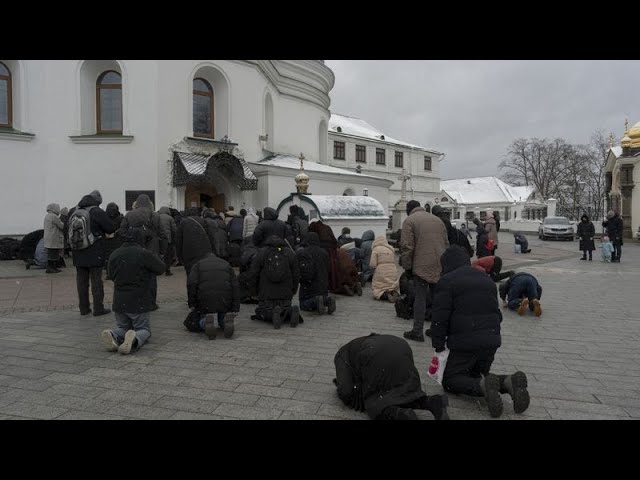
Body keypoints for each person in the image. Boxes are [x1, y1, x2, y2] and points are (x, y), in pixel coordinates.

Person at [431, 245, 530, 418]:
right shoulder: (486, 279)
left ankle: (483, 387)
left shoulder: (447, 281)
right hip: (491, 341)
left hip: (465, 343)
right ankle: (507, 382)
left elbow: (440, 318)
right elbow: (497, 315)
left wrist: (438, 345)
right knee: (475, 375)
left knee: (451, 380)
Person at [334, 333, 449, 420]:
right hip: (399, 345)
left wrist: (344, 391)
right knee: (405, 391)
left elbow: (346, 391)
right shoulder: (357, 344)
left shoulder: (340, 356)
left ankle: (399, 414)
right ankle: (432, 402)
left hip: (375, 354)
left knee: (375, 402)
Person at [101, 228, 165, 355]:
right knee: (144, 329)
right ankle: (134, 338)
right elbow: (161, 268)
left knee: (123, 327)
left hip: (119, 300)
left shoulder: (115, 253)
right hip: (139, 299)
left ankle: (113, 334)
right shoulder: (143, 253)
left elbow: (111, 275)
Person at [400, 200, 449, 342]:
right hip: (439, 264)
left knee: (420, 299)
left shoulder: (410, 221)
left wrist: (407, 267)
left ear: (409, 209)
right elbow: (446, 243)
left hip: (421, 266)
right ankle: (436, 330)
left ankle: (417, 331)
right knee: (437, 299)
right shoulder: (437, 220)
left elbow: (407, 247)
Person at [70, 190, 115, 316]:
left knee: (81, 281)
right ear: (97, 201)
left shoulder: (74, 211)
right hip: (95, 250)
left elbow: (65, 230)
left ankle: (84, 308)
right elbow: (110, 228)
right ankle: (98, 308)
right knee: (96, 280)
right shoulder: (97, 211)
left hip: (78, 251)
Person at [119, 194, 166, 309]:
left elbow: (121, 232)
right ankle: (151, 303)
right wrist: (162, 251)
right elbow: (163, 234)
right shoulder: (155, 215)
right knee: (151, 277)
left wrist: (129, 241)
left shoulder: (129, 214)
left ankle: (138, 301)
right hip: (152, 250)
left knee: (136, 276)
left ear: (137, 203)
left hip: (135, 250)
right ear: (149, 203)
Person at [249, 235, 300, 328]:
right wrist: (293, 290)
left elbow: (253, 274)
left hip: (266, 293)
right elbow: (296, 275)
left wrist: (254, 292)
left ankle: (273, 314)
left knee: (261, 311)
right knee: (285, 307)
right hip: (285, 293)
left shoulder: (261, 253)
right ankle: (289, 312)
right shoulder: (290, 253)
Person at [187, 252, 239, 339]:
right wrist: (235, 307)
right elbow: (235, 286)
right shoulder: (226, 264)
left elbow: (192, 284)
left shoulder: (198, 265)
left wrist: (192, 303)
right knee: (223, 313)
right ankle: (225, 322)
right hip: (224, 299)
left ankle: (205, 321)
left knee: (203, 315)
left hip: (205, 299)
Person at [297, 232, 336, 315]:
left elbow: (304, 273)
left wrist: (300, 279)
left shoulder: (303, 252)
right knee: (321, 297)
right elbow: (328, 269)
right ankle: (327, 300)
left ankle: (316, 301)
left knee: (303, 304)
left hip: (308, 287)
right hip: (323, 286)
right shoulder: (324, 252)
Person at [176, 208, 216, 277]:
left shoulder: (183, 223)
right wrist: (213, 251)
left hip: (189, 254)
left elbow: (178, 241)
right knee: (203, 274)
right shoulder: (204, 221)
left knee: (190, 274)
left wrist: (180, 257)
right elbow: (211, 238)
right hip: (204, 253)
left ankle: (191, 286)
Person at [308, 218, 339, 292]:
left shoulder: (313, 226)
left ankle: (321, 286)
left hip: (321, 249)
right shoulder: (327, 227)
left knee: (320, 268)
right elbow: (334, 239)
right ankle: (332, 286)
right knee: (331, 268)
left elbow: (311, 238)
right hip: (331, 250)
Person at [370, 235, 400, 303]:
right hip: (393, 269)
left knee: (379, 287)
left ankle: (385, 295)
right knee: (391, 284)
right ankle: (393, 292)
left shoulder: (376, 249)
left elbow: (373, 264)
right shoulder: (391, 248)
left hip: (381, 270)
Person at [103, 202, 124, 278]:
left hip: (107, 240)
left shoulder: (104, 217)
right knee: (117, 257)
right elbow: (123, 229)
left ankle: (109, 273)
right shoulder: (121, 218)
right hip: (117, 240)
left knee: (108, 258)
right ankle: (117, 273)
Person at [43, 203, 64, 274]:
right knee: (54, 254)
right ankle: (52, 268)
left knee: (50, 253)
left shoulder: (47, 216)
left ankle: (51, 267)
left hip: (48, 238)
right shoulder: (54, 216)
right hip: (54, 238)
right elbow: (61, 226)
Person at [157, 206, 177, 275]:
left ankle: (159, 269)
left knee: (159, 254)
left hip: (158, 239)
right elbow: (174, 229)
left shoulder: (156, 217)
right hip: (167, 239)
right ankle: (167, 270)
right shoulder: (170, 218)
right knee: (167, 255)